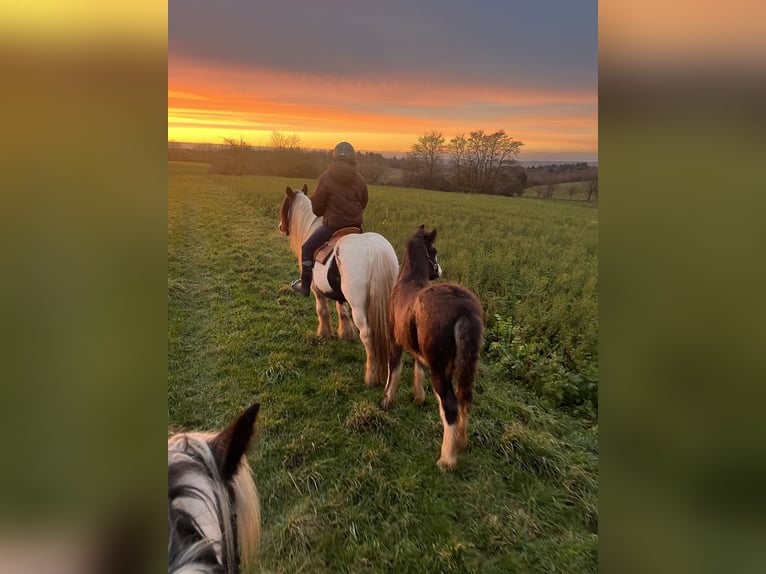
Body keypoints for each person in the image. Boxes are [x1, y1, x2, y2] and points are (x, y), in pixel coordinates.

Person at [291, 141, 368, 296]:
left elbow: (317, 208)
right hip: (356, 227)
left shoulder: (326, 177)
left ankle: (305, 285)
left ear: (335, 157)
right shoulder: (360, 179)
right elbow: (364, 202)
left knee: (306, 248)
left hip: (332, 227)